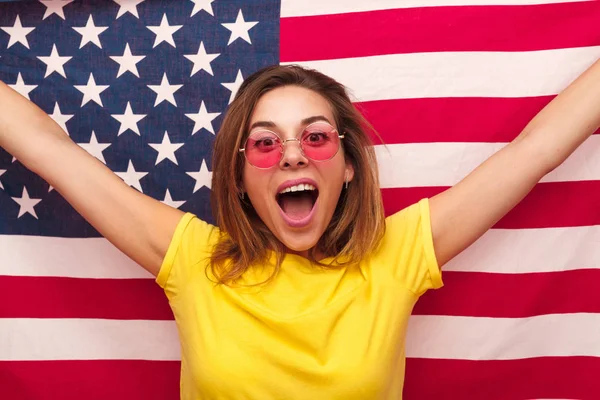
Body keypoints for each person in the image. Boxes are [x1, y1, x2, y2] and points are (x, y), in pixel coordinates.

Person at [1, 59, 599, 399]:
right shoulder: (191, 258)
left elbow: (537, 148)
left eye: (315, 136)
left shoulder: (397, 254)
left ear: (346, 165)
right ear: (237, 176)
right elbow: (47, 150)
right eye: (265, 143)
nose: (291, 156)